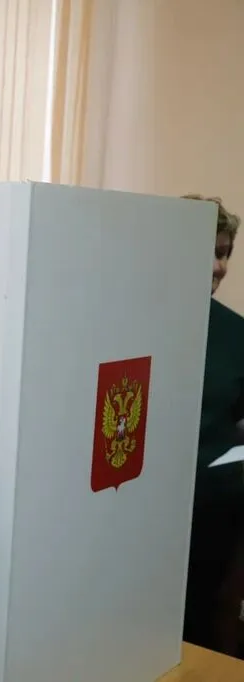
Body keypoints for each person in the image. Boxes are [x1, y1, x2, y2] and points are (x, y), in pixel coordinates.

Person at [182, 194, 244, 653]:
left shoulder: (236, 334)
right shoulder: (125, 321)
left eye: (225, 253)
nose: (219, 266)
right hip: (138, 511)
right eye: (209, 251)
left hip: (214, 516)